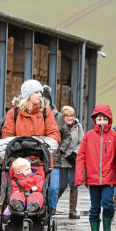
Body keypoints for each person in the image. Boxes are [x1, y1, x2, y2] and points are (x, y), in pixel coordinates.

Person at [2, 79, 61, 231]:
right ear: (28, 95)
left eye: (41, 93)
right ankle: (20, 230)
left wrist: (40, 143)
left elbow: (54, 134)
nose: (40, 96)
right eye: (37, 93)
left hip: (40, 161)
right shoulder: (13, 114)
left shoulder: (46, 113)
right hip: (19, 162)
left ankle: (40, 228)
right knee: (19, 191)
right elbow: (7, 134)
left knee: (43, 194)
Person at [75, 105, 116, 231]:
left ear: (109, 120)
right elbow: (81, 156)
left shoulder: (115, 136)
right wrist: (80, 176)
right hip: (93, 179)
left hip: (108, 178)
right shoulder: (88, 136)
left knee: (108, 203)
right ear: (95, 120)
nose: (101, 122)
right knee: (94, 207)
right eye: (99, 119)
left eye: (104, 119)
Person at [41, 85, 72, 216]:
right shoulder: (35, 115)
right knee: (39, 188)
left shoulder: (58, 117)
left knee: (54, 188)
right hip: (37, 159)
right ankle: (40, 210)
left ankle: (51, 210)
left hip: (54, 159)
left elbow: (67, 136)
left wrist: (60, 150)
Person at [58, 106, 84, 219]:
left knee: (74, 184)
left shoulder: (78, 126)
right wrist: (63, 154)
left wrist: (75, 153)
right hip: (62, 159)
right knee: (61, 185)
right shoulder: (58, 126)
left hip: (73, 159)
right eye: (67, 115)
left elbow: (81, 141)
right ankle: (52, 206)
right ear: (63, 116)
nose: (70, 118)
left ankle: (72, 211)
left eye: (72, 115)